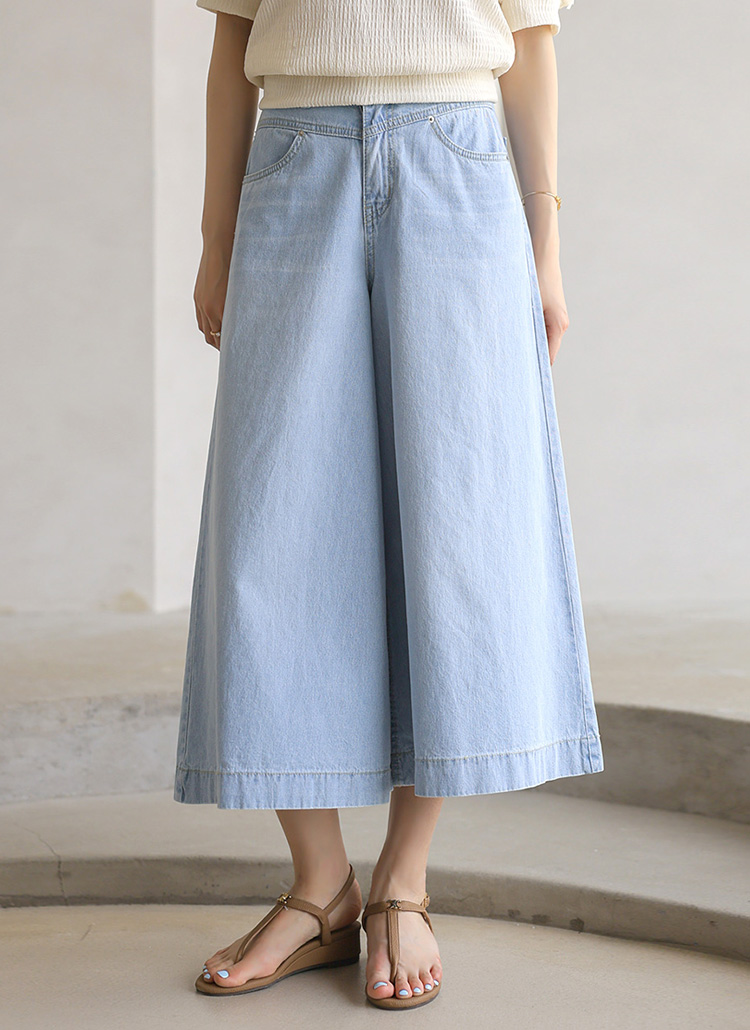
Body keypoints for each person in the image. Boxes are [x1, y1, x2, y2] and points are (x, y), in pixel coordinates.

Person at [174, 0, 604, 1010]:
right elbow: (234, 38)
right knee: (275, 530)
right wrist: (215, 233)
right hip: (296, 153)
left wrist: (545, 245)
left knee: (455, 528)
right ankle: (320, 885)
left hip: (458, 162)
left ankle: (403, 881)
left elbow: (531, 42)